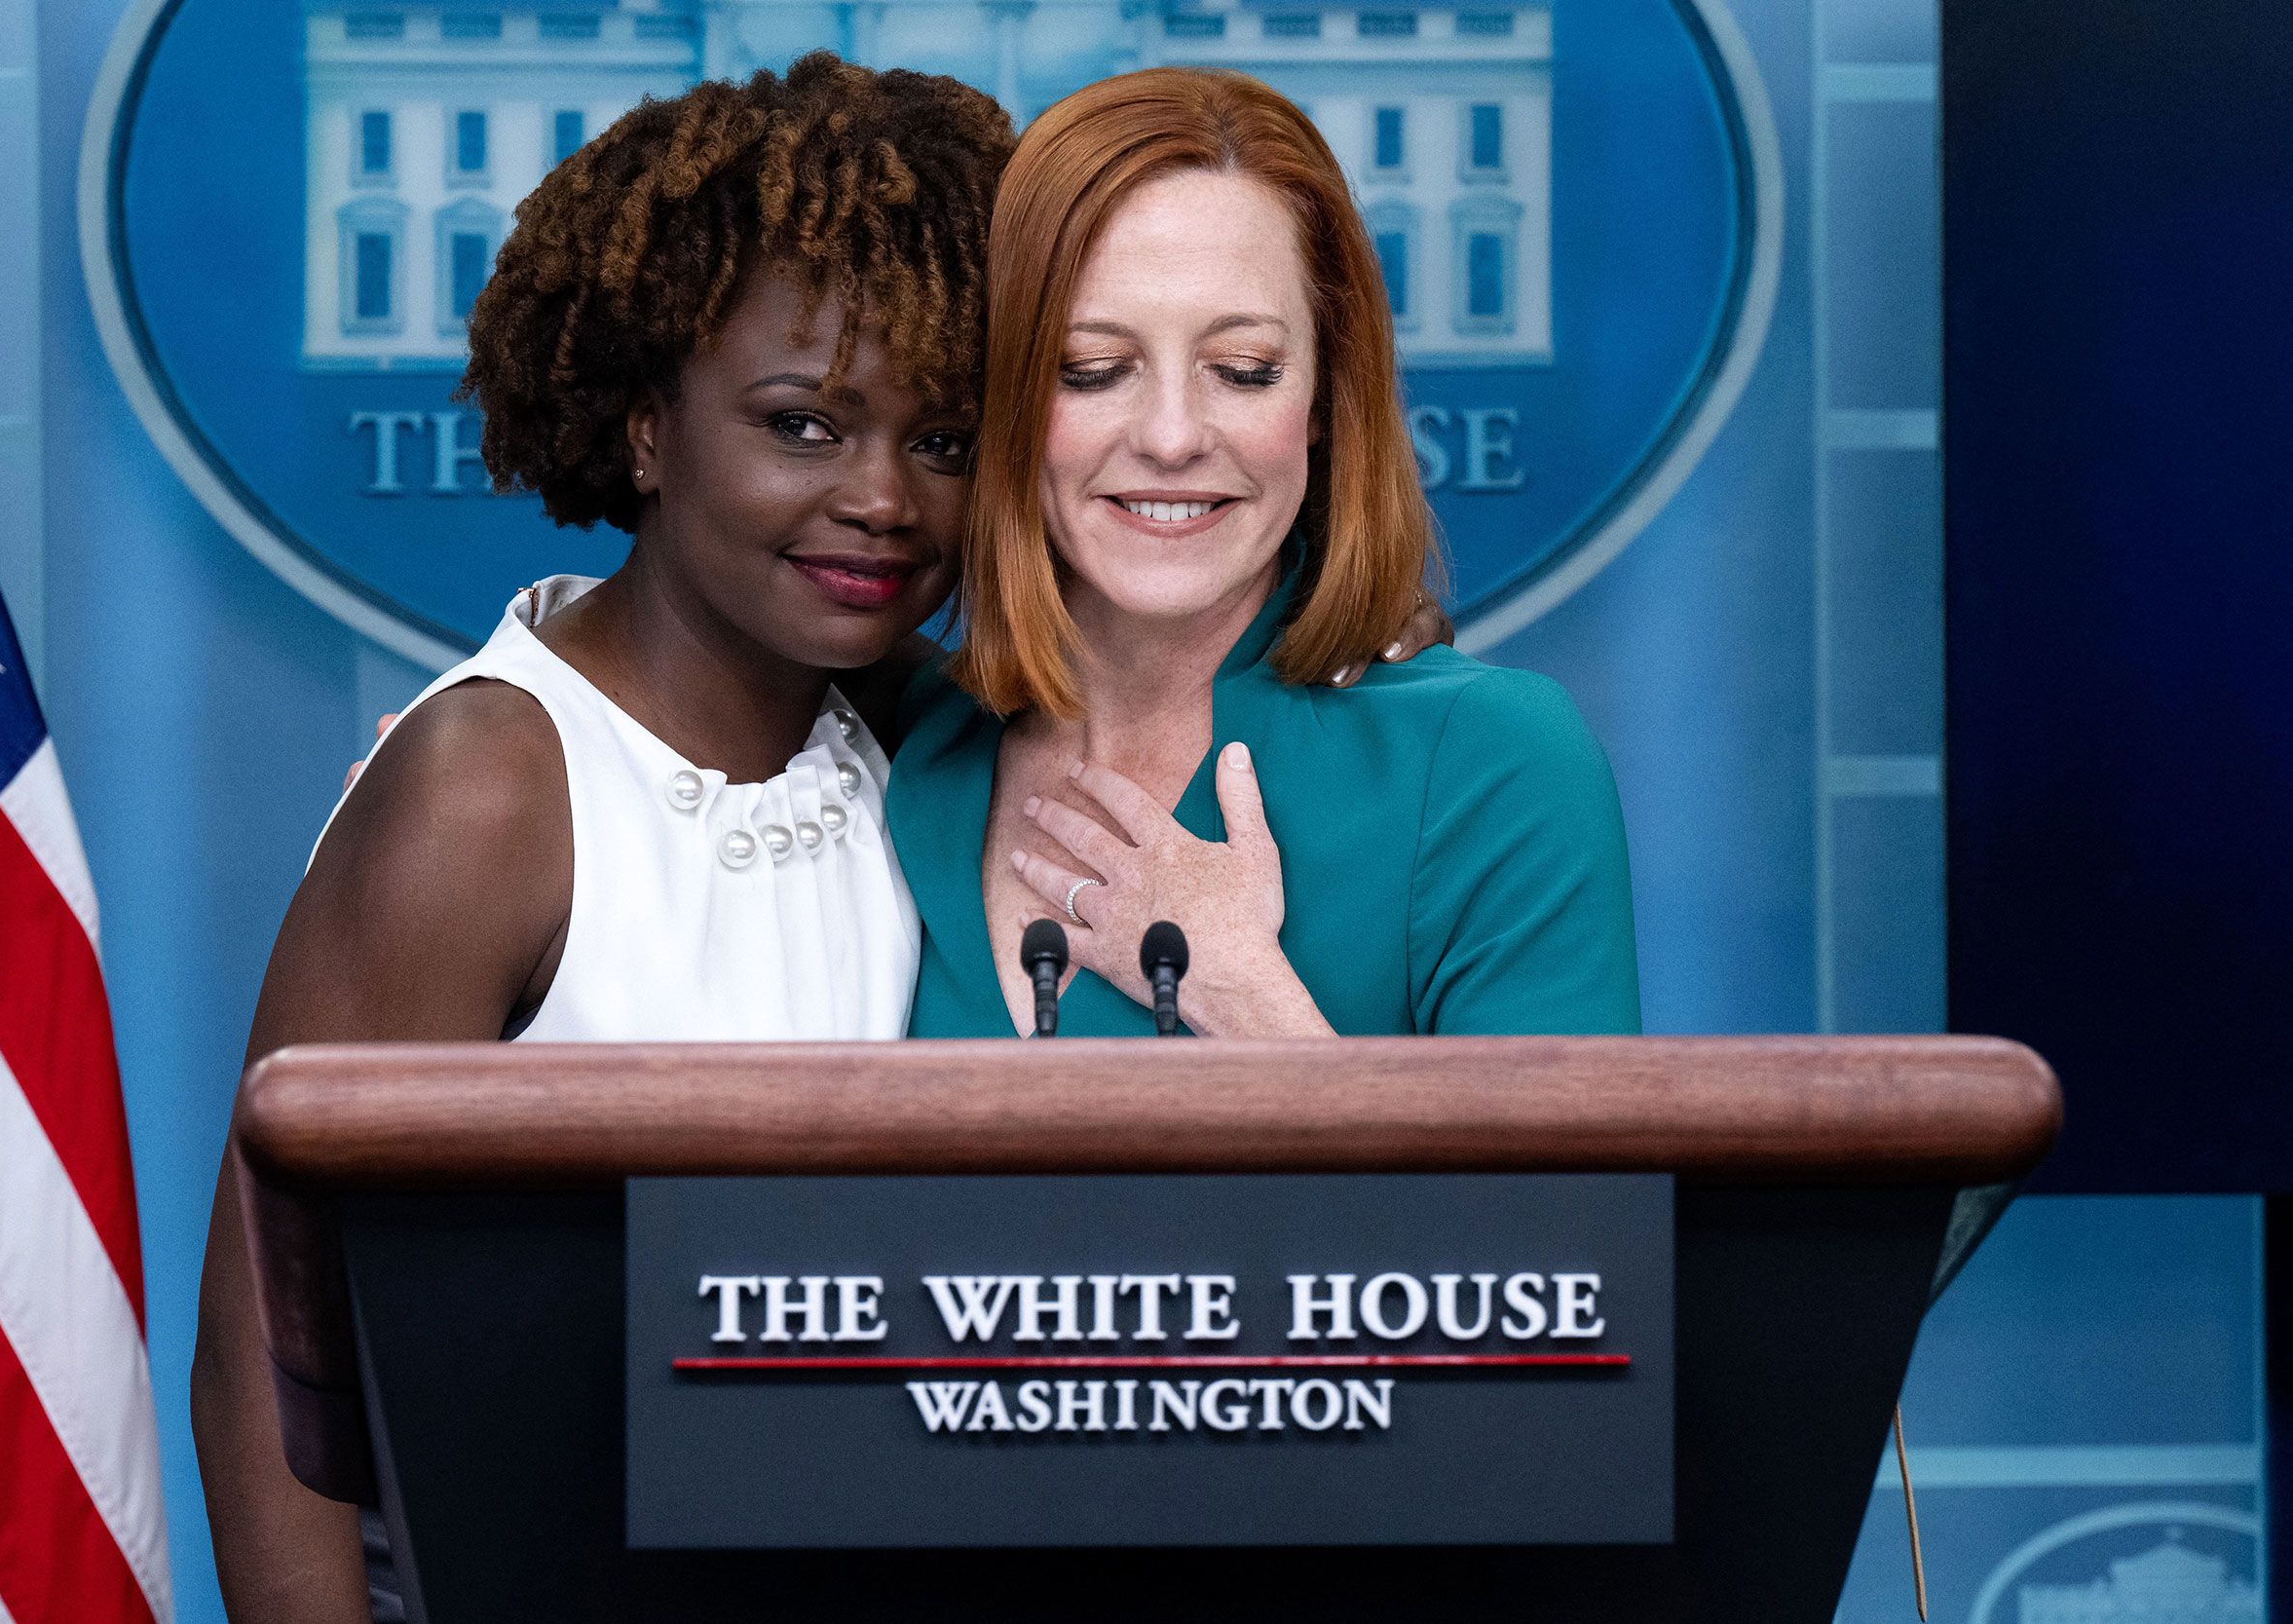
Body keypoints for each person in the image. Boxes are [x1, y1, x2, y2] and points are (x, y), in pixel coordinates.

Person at [205, 57, 1444, 1621]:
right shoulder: (491, 783)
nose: (881, 501)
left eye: (940, 442)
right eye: (802, 424)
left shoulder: (924, 736)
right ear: (647, 427)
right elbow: (265, 1355)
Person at [890, 67, 1641, 1039]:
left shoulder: (1492, 765)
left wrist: (1249, 1006)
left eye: (1242, 371)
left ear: (1325, 396)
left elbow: (1568, 1199)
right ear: (1004, 392)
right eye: (1092, 369)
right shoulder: (896, 745)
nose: (1170, 435)